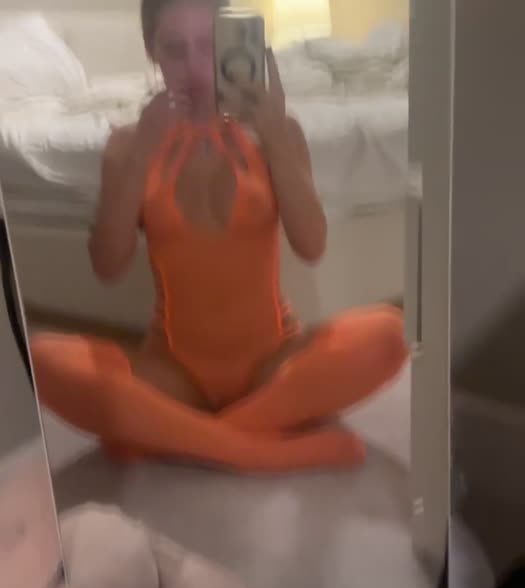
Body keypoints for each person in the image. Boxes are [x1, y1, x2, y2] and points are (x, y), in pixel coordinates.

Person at [31, 0, 408, 474]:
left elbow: (312, 245)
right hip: (173, 373)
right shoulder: (128, 145)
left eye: (208, 46)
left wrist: (274, 134)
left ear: (231, 44)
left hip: (273, 362)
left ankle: (176, 434)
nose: (194, 68)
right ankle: (259, 448)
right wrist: (142, 153)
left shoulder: (278, 133)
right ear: (151, 51)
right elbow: (108, 266)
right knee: (43, 359)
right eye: (175, 49)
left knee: (391, 334)